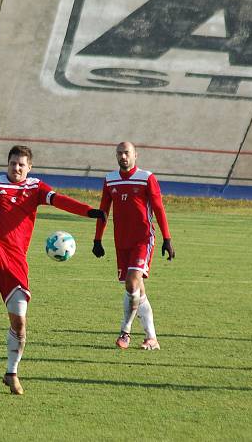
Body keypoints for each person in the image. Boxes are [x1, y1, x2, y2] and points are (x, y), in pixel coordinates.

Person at [0, 145, 106, 395]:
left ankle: (11, 373)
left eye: (21, 165)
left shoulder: (35, 187)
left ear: (29, 167)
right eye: (13, 163)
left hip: (16, 261)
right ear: (7, 163)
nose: (16, 168)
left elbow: (60, 201)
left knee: (20, 323)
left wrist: (89, 212)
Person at [91, 142, 175, 350]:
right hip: (121, 242)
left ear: (135, 155)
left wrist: (167, 238)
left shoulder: (147, 178)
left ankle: (125, 331)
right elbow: (103, 211)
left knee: (132, 283)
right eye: (119, 153)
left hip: (143, 239)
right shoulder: (110, 180)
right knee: (137, 290)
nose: (123, 157)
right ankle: (152, 338)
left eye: (126, 153)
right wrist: (97, 239)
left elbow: (159, 208)